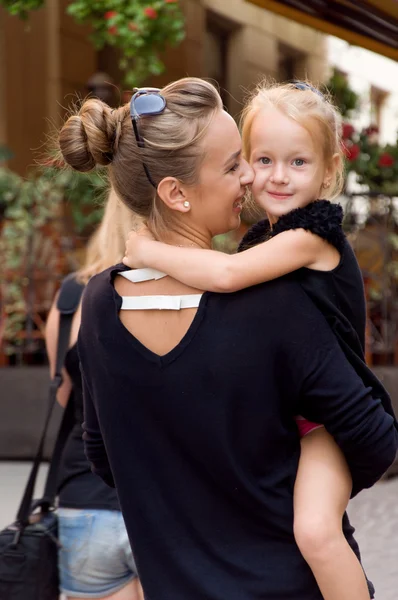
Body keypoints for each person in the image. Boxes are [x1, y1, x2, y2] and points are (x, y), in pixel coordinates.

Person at [57, 77, 397, 600]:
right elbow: (374, 439)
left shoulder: (101, 304)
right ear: (175, 193)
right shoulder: (271, 302)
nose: (250, 179)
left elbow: (105, 455)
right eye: (237, 164)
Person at [45, 190, 144, 600]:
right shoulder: (186, 291)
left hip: (84, 501)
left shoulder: (70, 298)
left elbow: (67, 400)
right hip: (166, 503)